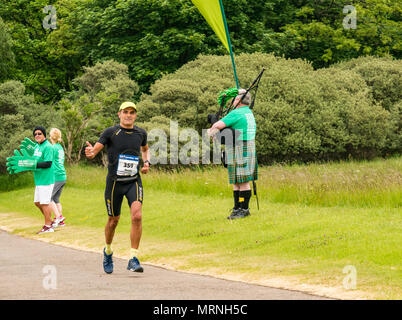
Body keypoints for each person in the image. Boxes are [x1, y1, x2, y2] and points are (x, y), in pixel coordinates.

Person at [85, 101, 150, 274]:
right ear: (119, 114)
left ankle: (133, 257)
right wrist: (91, 152)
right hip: (114, 183)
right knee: (113, 220)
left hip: (133, 181)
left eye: (132, 112)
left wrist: (147, 162)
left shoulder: (140, 132)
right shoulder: (111, 132)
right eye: (126, 112)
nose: (129, 115)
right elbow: (96, 150)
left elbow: (145, 148)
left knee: (137, 216)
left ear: (135, 115)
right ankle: (107, 251)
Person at [208, 89, 258, 219]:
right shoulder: (248, 112)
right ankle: (237, 208)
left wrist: (212, 128)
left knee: (243, 181)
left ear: (238, 100)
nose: (233, 100)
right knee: (236, 181)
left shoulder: (237, 113)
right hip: (245, 145)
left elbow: (218, 125)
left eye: (235, 98)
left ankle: (244, 209)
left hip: (240, 146)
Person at [49, 128, 67, 228]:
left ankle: (58, 217)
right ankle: (60, 221)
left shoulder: (53, 147)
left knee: (49, 198)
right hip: (62, 176)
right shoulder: (59, 147)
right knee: (56, 198)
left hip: (56, 176)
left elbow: (48, 160)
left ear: (51, 137)